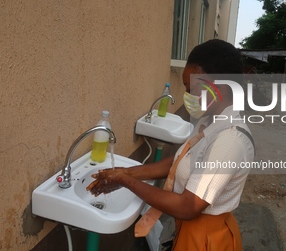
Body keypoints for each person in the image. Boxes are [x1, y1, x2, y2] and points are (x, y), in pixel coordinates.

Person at [87, 39, 255, 251]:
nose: (188, 97)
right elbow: (177, 162)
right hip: (190, 231)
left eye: (191, 88)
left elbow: (188, 206)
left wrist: (125, 181)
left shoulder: (229, 140)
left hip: (206, 240)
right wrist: (126, 173)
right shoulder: (209, 122)